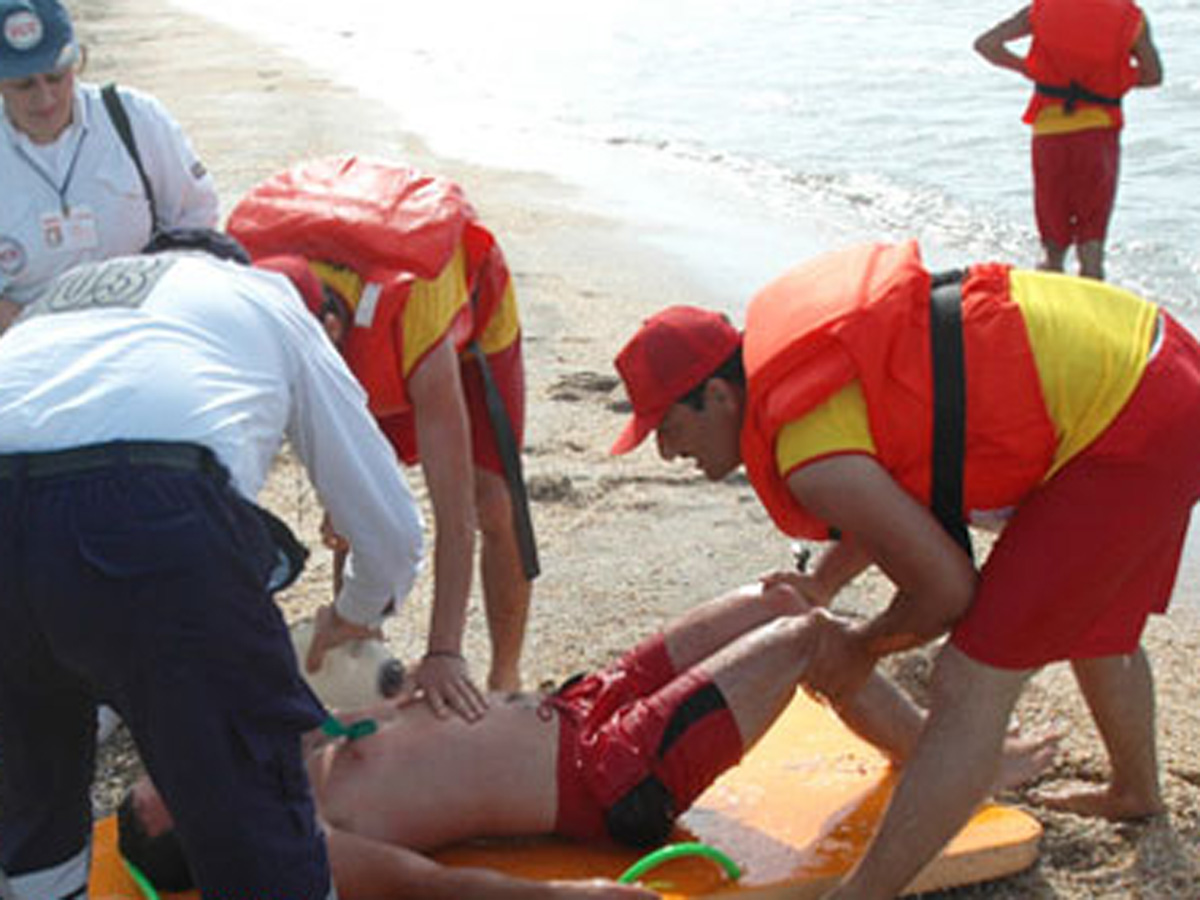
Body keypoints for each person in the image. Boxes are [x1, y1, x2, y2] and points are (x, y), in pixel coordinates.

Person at [608, 240, 1200, 899]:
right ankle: (1135, 790)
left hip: (1131, 419)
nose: (663, 452)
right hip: (1148, 352)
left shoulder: (810, 456)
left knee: (969, 679)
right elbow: (895, 479)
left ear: (717, 396)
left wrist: (863, 647)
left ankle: (863, 894)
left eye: (664, 426)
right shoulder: (813, 384)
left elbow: (947, 591)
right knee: (1094, 619)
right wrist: (824, 583)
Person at [118, 576, 1057, 898]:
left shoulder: (280, 756)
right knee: (809, 639)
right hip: (611, 777)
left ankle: (941, 748)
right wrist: (573, 896)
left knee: (780, 600)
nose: (183, 771)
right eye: (172, 791)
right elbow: (431, 887)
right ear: (195, 836)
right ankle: (954, 758)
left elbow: (328, 668)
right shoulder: (300, 846)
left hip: (581, 704)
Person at [0, 250, 425, 899]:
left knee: (31, 798)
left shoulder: (70, 292)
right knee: (256, 814)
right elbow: (390, 528)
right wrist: (356, 615)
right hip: (147, 514)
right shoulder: (275, 301)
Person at [227, 155, 534, 717]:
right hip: (360, 331)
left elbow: (453, 512)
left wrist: (445, 651)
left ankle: (505, 674)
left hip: (468, 319)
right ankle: (359, 637)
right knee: (348, 508)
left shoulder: (410, 317)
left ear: (334, 332)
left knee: (492, 502)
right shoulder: (259, 322)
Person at [0, 0, 219, 328]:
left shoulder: (136, 119)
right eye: (24, 85)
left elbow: (197, 222)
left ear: (78, 61)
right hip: (26, 345)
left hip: (144, 327)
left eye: (56, 77)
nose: (45, 98)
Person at [973, 0, 1162, 280]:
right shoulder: (1130, 17)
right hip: (1098, 135)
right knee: (1092, 245)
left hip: (1049, 133)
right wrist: (1114, 79)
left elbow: (986, 44)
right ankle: (1093, 307)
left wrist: (1028, 68)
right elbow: (1153, 75)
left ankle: (1052, 305)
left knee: (1052, 245)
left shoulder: (1042, 9)